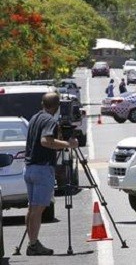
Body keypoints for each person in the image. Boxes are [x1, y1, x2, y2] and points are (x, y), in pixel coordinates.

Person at [24, 92, 79, 256]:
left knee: (32, 208)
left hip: (30, 168)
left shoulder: (35, 118)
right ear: (57, 107)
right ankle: (33, 245)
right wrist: (67, 144)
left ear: (42, 103)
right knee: (37, 210)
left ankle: (32, 243)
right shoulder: (49, 120)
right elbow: (45, 141)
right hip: (42, 169)